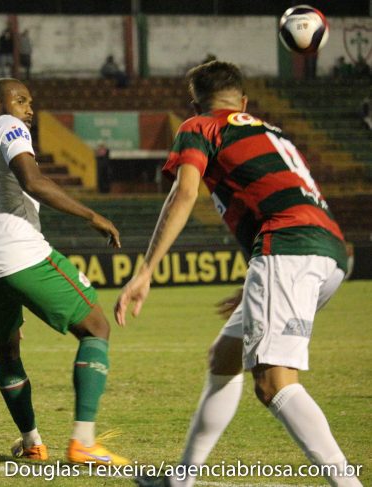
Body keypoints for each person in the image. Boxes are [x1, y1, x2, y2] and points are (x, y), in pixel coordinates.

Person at [114, 61, 362, 487]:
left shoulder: (202, 126)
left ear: (195, 103)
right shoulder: (270, 131)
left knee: (273, 383)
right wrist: (258, 282)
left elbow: (185, 191)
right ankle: (182, 478)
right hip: (328, 250)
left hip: (288, 248)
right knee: (225, 355)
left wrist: (145, 270)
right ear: (243, 102)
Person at [0, 78, 127, 465]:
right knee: (96, 327)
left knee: (7, 353)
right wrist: (92, 215)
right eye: (20, 100)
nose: (29, 109)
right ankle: (83, 441)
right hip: (18, 254)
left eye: (31, 102)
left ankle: (32, 442)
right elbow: (33, 180)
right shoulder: (7, 127)